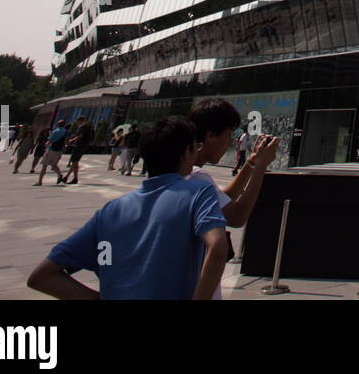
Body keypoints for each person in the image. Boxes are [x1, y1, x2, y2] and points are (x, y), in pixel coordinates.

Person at [25, 117, 228, 299]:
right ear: (186, 153)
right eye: (195, 147)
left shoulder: (110, 211)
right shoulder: (197, 191)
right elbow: (218, 248)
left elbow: (42, 276)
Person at [187, 98, 279, 296]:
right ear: (211, 135)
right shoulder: (196, 177)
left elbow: (223, 199)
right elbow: (237, 216)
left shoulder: (186, 173)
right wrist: (261, 167)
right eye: (229, 135)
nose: (231, 142)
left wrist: (251, 164)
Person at [35, 119, 70, 186]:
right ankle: (59, 175)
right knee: (54, 164)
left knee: (44, 165)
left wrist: (45, 146)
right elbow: (65, 141)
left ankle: (40, 182)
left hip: (51, 149)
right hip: (59, 150)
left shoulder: (56, 131)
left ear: (58, 124)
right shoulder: (65, 132)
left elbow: (49, 141)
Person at [64, 118, 94, 185]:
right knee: (75, 162)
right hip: (84, 145)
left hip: (79, 145)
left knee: (75, 161)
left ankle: (75, 178)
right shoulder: (89, 127)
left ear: (80, 120)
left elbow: (80, 136)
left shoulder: (82, 127)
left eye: (77, 121)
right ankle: (66, 177)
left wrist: (72, 140)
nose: (77, 123)